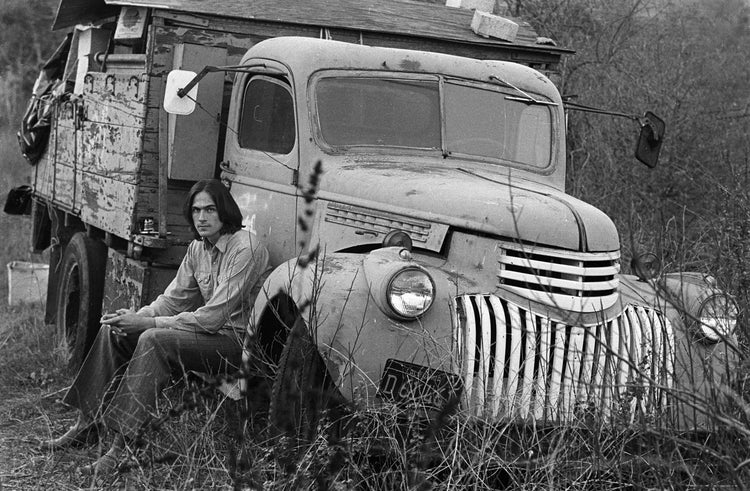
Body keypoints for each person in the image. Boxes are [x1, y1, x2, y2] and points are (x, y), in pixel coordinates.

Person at [44, 178, 269, 477]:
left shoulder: (246, 249)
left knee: (153, 339)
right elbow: (172, 301)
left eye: (210, 210)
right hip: (206, 336)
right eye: (196, 211)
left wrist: (147, 324)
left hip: (236, 343)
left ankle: (120, 450)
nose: (201, 217)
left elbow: (213, 319)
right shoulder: (198, 249)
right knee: (115, 330)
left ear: (225, 211)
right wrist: (136, 316)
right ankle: (86, 424)